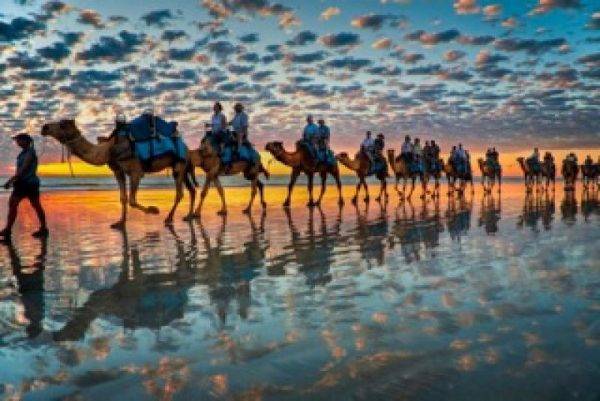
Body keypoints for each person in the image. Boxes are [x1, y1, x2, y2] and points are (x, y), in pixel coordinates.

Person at [1, 134, 48, 240]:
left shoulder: (30, 153)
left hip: (27, 184)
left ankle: (8, 230)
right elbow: (20, 170)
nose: (17, 142)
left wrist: (10, 181)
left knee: (15, 204)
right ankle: (43, 228)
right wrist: (13, 180)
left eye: (19, 140)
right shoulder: (23, 153)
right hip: (27, 183)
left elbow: (23, 169)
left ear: (26, 141)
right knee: (33, 205)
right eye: (17, 140)